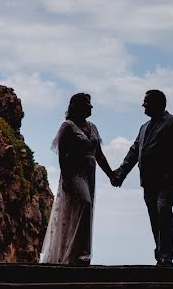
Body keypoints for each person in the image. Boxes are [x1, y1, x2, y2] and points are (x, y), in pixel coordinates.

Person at [40, 93, 118, 265]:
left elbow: (99, 154)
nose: (91, 107)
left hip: (90, 174)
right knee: (85, 204)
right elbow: (62, 153)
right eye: (87, 104)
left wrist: (111, 174)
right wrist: (67, 178)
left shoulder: (93, 127)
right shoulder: (67, 126)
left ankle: (81, 254)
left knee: (85, 211)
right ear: (77, 107)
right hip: (74, 173)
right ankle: (78, 253)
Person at [112, 90, 173, 266]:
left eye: (146, 102)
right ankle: (160, 253)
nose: (143, 105)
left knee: (164, 211)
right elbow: (134, 151)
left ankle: (166, 255)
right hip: (148, 181)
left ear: (158, 103)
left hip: (167, 180)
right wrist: (121, 174)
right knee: (154, 217)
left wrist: (169, 177)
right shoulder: (144, 127)